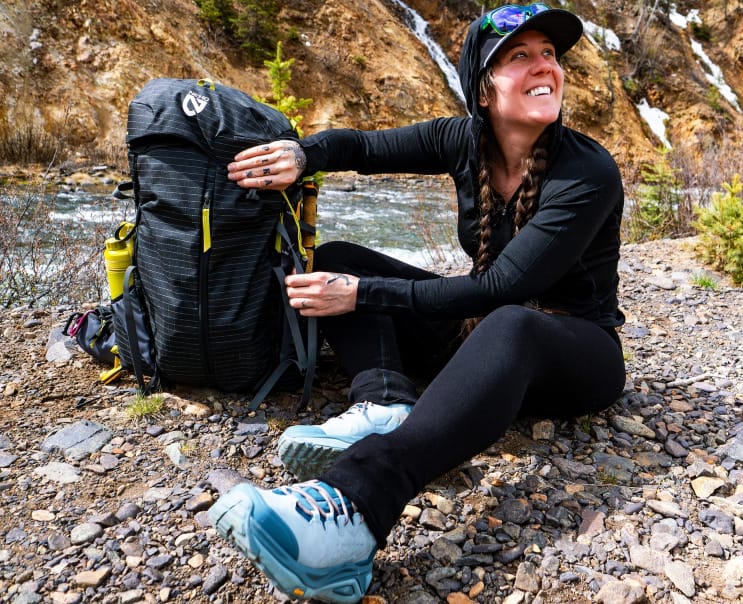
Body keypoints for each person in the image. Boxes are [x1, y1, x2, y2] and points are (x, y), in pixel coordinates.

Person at [209, 4, 627, 602]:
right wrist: (303, 155)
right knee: (337, 256)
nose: (545, 67)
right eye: (520, 56)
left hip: (574, 351)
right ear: (483, 93)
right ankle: (384, 402)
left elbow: (500, 287)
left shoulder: (587, 172)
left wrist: (361, 296)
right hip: (482, 335)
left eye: (550, 55)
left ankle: (355, 509)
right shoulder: (463, 140)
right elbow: (365, 148)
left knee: (507, 321)